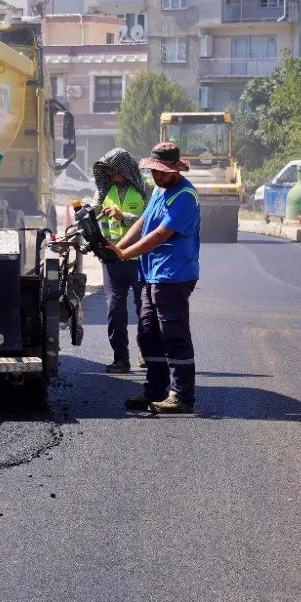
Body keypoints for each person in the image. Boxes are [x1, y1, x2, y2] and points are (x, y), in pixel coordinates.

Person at [109, 141, 201, 415]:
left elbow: (160, 234)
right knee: (149, 332)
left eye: (161, 172)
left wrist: (125, 255)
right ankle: (155, 391)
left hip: (173, 275)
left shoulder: (185, 196)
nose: (156, 176)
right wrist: (119, 248)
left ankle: (182, 396)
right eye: (153, 172)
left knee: (174, 334)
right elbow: (142, 223)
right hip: (152, 274)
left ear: (175, 169)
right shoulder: (161, 192)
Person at [92, 147, 150, 374]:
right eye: (107, 173)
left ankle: (147, 354)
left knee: (144, 309)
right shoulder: (105, 191)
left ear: (125, 170)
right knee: (115, 310)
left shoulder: (146, 189)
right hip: (112, 259)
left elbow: (150, 220)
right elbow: (91, 211)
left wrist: (122, 215)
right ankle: (120, 359)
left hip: (139, 259)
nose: (111, 177)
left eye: (114, 172)